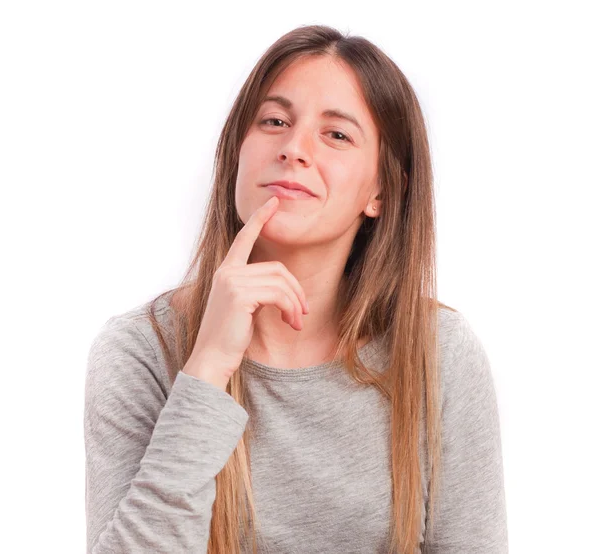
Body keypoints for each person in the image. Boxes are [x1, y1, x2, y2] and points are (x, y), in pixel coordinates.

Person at [84, 24, 508, 554]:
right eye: (275, 121)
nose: (293, 148)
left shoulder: (437, 351)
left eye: (336, 134)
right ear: (238, 151)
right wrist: (207, 367)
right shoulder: (140, 351)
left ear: (380, 190)